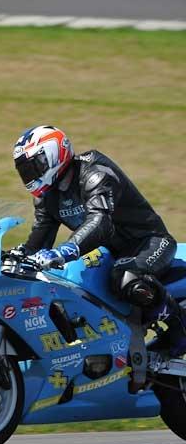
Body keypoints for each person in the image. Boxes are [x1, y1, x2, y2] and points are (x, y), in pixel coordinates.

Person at [12, 125, 186, 357]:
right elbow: (39, 238)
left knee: (127, 279)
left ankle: (180, 329)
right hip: (110, 255)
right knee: (63, 284)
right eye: (25, 171)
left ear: (55, 154)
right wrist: (15, 256)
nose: (31, 175)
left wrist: (64, 251)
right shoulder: (47, 197)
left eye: (35, 166)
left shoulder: (95, 173)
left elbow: (100, 221)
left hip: (150, 242)